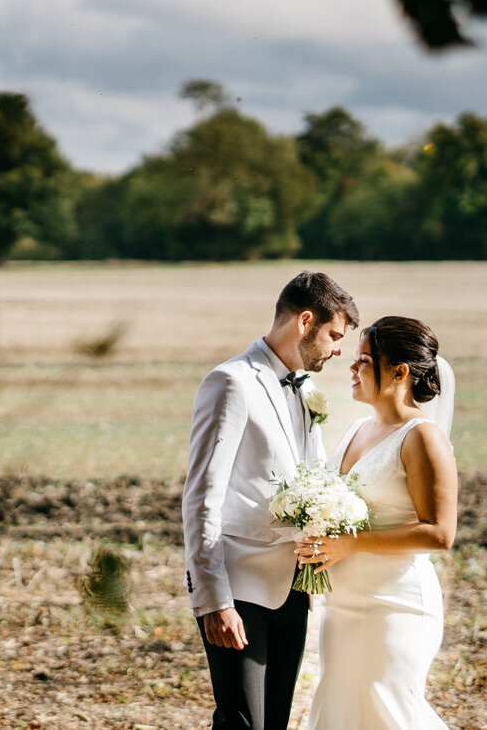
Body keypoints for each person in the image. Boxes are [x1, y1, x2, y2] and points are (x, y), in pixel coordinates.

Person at [183, 270, 359, 730]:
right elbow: (202, 496)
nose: (338, 349)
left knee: (276, 724)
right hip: (238, 586)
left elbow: (312, 477)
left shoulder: (308, 391)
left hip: (295, 589)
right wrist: (213, 599)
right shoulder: (230, 383)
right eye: (333, 335)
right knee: (243, 724)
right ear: (305, 321)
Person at [295, 316, 459, 730]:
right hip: (343, 608)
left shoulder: (422, 437)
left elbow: (440, 533)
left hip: (394, 606)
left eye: (364, 360)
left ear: (400, 372)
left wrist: (351, 542)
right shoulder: (355, 430)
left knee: (388, 715)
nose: (351, 368)